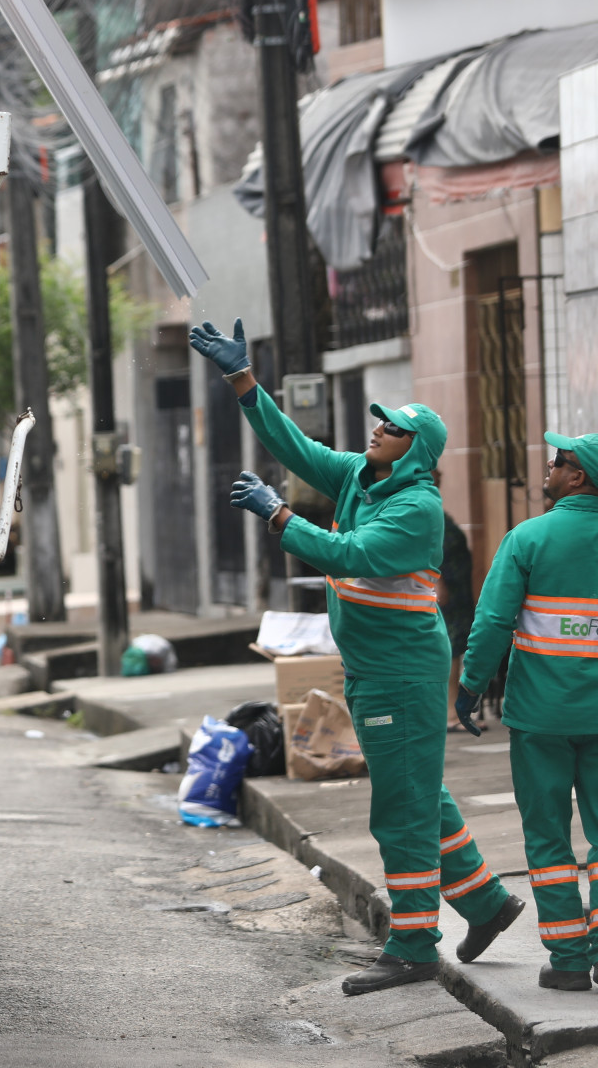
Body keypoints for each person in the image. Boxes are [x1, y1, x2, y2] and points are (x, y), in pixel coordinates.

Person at [191, 319, 523, 995]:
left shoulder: (415, 510)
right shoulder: (361, 478)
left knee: (398, 810)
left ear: (414, 452)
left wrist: (279, 515)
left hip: (401, 675)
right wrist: (243, 382)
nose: (376, 430)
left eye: (391, 428)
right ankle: (488, 904)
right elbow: (295, 444)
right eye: (380, 423)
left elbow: (348, 555)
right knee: (418, 795)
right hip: (379, 669)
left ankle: (415, 944)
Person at [458, 432, 598, 990]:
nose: (549, 465)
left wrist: (469, 686)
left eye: (559, 460)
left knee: (547, 838)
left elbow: (493, 622)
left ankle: (567, 961)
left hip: (541, 718)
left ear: (579, 477)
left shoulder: (528, 539)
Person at [431, 467, 480, 732]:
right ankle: (450, 712)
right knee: (450, 650)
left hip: (457, 588)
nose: (439, 475)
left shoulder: (431, 504)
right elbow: (429, 549)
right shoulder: (422, 508)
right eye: (432, 473)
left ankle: (452, 710)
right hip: (446, 589)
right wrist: (438, 584)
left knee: (456, 648)